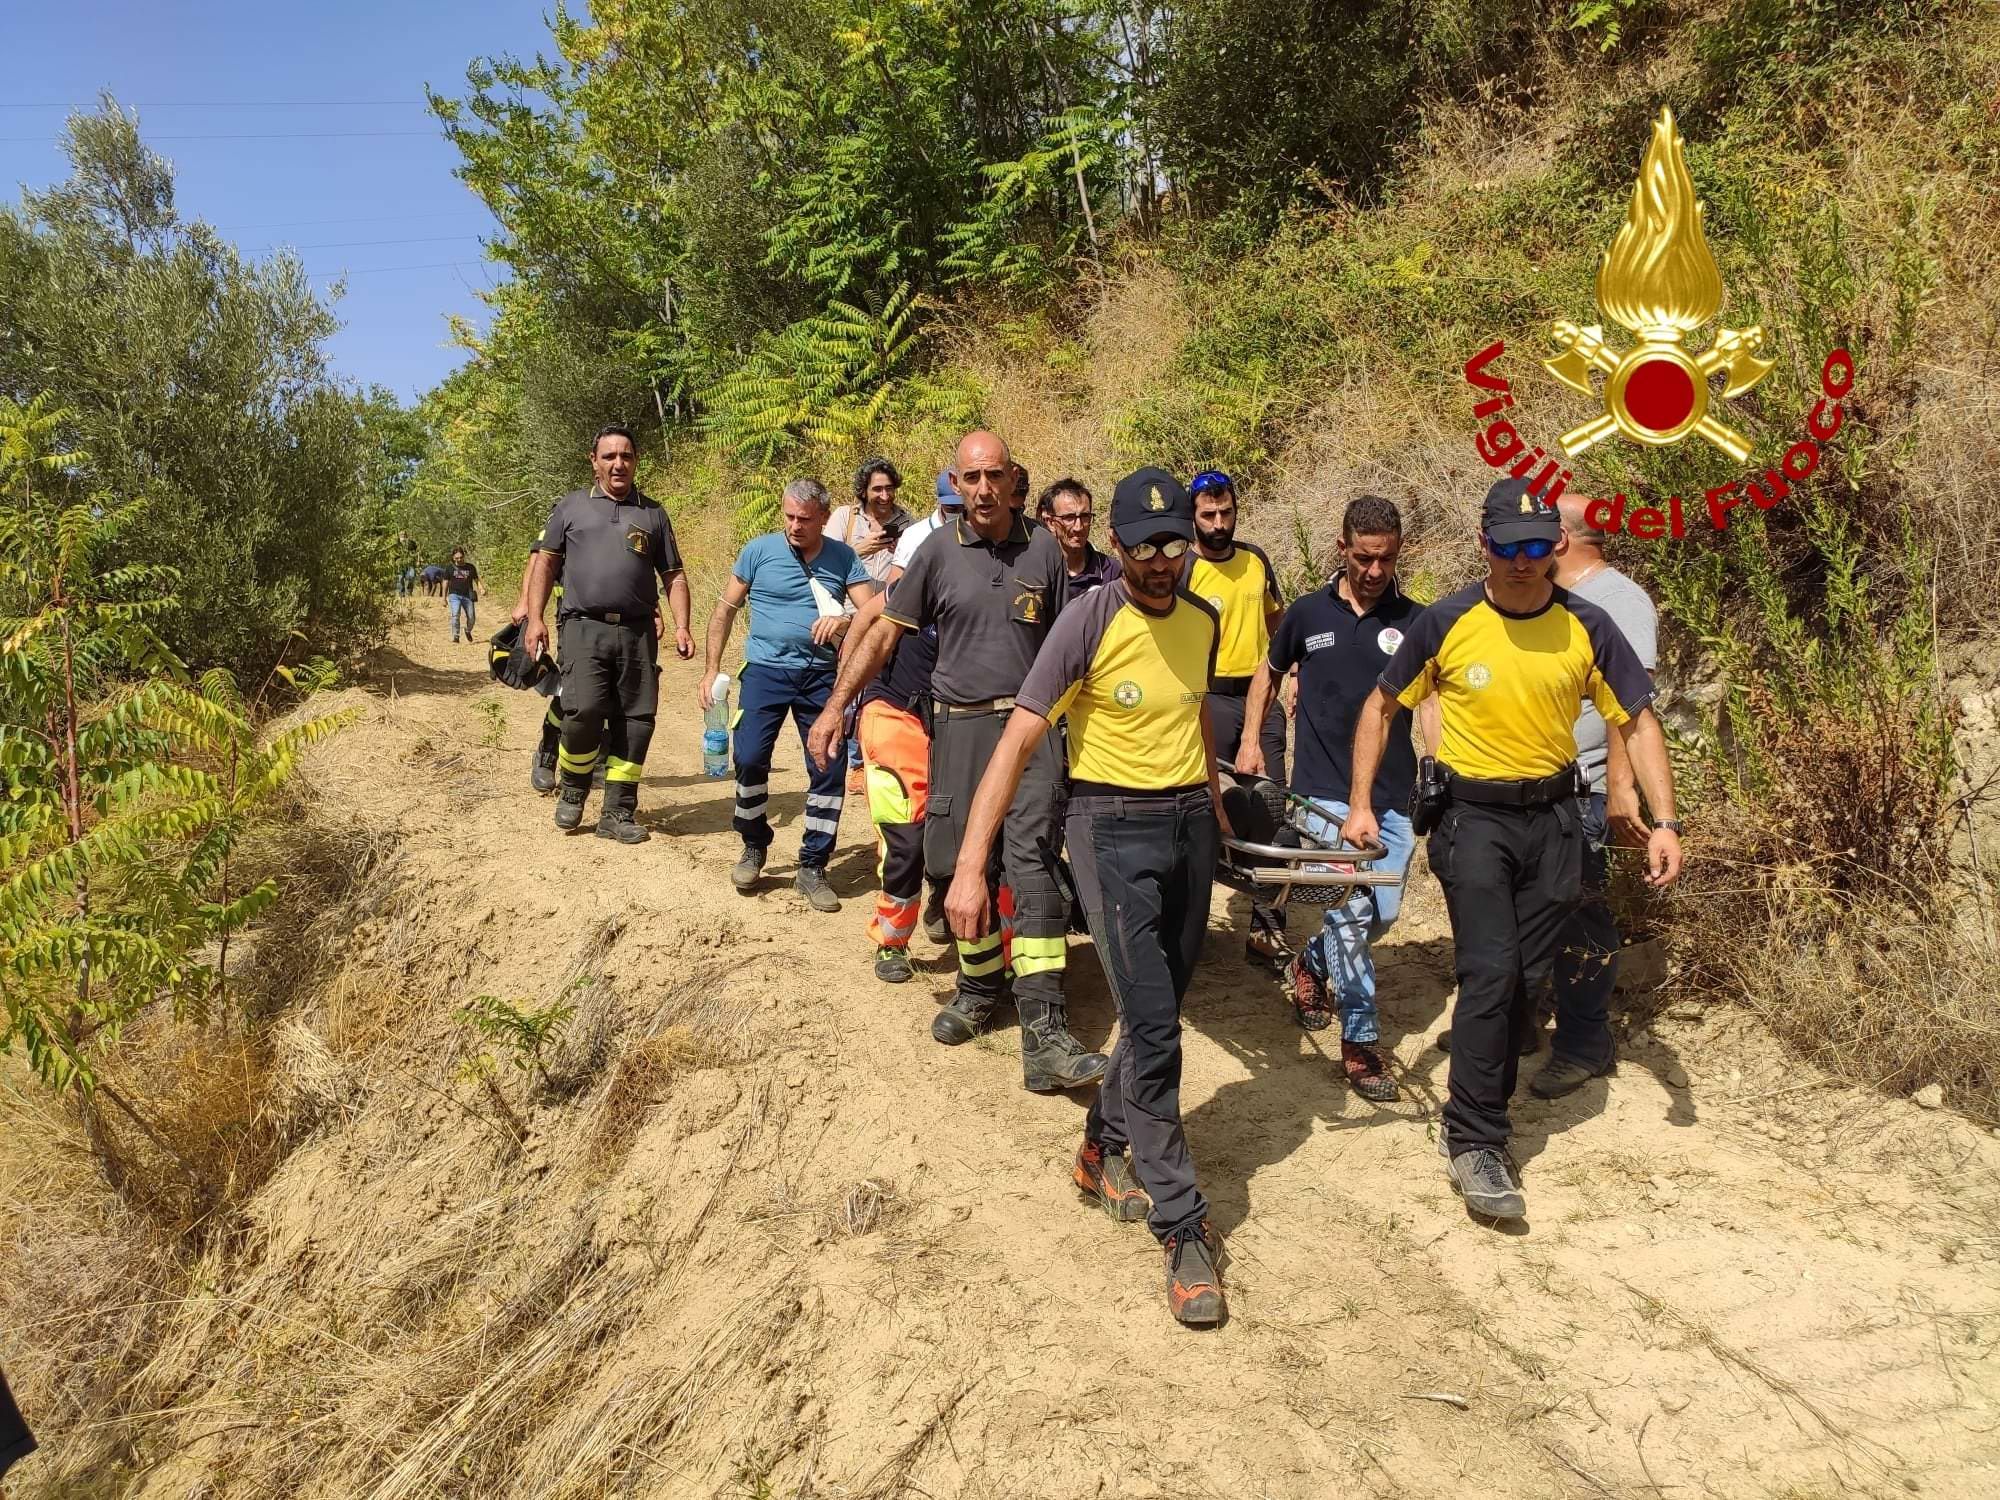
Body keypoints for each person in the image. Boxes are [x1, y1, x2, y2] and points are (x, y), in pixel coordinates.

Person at [1341, 477, 1682, 1222]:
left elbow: (1639, 719)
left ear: (1556, 545)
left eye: (1536, 546)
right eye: (1507, 547)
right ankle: (1475, 1138)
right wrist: (1361, 804)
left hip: (1555, 821)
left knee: (1524, 979)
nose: (1523, 561)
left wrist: (1664, 820)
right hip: (1474, 821)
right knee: (1491, 973)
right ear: (1483, 545)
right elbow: (1382, 706)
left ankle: (1482, 1097)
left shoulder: (1588, 625)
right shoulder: (1448, 621)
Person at [947, 467, 1229, 1325]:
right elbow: (1017, 740)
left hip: (1189, 827)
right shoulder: (1087, 620)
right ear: (1115, 544)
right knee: (1156, 1028)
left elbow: (1195, 714)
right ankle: (1183, 1227)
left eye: (1174, 544)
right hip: (1108, 829)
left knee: (1155, 1010)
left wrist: (1217, 808)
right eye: (1144, 547)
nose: (1161, 561)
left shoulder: (1204, 619)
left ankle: (1100, 1148)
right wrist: (971, 864)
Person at [807, 431, 1105, 1092]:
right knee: (952, 864)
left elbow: (1074, 645)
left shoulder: (1045, 549)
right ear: (956, 482)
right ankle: (980, 985)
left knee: (1029, 864)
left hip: (1030, 732)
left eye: (995, 475)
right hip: (957, 729)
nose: (984, 489)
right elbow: (883, 633)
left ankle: (1045, 1025)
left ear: (1013, 478)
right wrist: (835, 708)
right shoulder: (937, 552)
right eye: (971, 478)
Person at [1237, 495, 1432, 1103]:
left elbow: (1430, 698)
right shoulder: (1306, 613)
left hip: (1392, 795)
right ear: (1341, 548)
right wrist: (1250, 740)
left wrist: (1437, 763)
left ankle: (1310, 965)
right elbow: (1268, 673)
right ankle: (1361, 1041)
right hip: (1321, 796)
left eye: (1386, 559)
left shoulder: (1415, 620)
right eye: (1364, 558)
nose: (1375, 571)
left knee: (1383, 915)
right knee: (1349, 912)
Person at [1529, 492, 1659, 1099]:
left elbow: (1629, 705)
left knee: (1580, 912)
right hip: (1535, 784)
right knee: (1532, 909)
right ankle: (1520, 1024)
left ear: (1561, 539)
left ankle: (1585, 1043)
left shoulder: (1619, 601)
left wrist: (1621, 787)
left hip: (1585, 786)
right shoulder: (1552, 599)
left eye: (1540, 530)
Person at [703, 479, 876, 912]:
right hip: (764, 672)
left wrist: (842, 621)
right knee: (749, 758)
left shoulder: (844, 557)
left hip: (820, 677)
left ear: (824, 517)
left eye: (805, 519)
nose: (795, 526)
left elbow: (873, 612)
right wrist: (710, 670)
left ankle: (813, 864)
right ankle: (753, 843)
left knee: (828, 766)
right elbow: (725, 610)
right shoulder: (758, 551)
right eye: (789, 517)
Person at [522, 423, 695, 843]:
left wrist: (682, 626)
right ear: (594, 461)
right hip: (583, 627)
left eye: (626, 456)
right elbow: (544, 563)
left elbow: (673, 575)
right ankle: (574, 788)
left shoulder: (653, 514)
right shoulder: (571, 507)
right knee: (583, 710)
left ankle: (618, 811)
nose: (619, 464)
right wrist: (535, 617)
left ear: (636, 461)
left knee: (636, 721)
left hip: (637, 633)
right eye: (610, 456)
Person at [1184, 469, 1288, 966]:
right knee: (1202, 810)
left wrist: (1292, 670)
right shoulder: (1183, 567)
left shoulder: (1255, 560)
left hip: (1259, 698)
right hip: (1206, 700)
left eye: (1226, 512)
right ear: (1193, 517)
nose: (1219, 523)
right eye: (1209, 515)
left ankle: (1267, 926)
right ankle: (1191, 923)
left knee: (1274, 808)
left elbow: (1276, 619)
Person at [829, 458, 913, 794]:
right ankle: (854, 762)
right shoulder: (844, 518)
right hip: (846, 618)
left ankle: (869, 759)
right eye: (877, 489)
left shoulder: (907, 523)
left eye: (889, 488)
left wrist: (899, 552)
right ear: (863, 490)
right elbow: (822, 560)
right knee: (850, 686)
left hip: (888, 617)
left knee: (875, 690)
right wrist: (859, 550)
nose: (884, 495)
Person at [1036, 478, 1121, 595]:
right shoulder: (1038, 572)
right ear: (1050, 523)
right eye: (1069, 518)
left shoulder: (1111, 572)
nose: (1078, 527)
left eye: (1085, 516)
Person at [444, 547, 481, 642]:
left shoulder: (470, 567)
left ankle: (468, 630)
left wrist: (481, 588)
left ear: (464, 556)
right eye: (457, 558)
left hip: (468, 595)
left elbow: (476, 580)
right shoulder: (449, 568)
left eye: (461, 557)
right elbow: (446, 582)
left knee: (471, 617)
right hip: (454, 595)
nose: (459, 559)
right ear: (453, 558)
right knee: (455, 614)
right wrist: (444, 598)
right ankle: (456, 636)